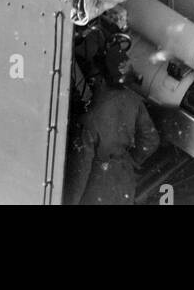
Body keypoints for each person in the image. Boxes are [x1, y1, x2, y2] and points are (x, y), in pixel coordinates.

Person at [69, 45, 161, 205]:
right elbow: (151, 139)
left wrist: (70, 201)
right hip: (124, 179)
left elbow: (81, 171)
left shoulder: (90, 119)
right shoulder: (134, 101)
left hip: (98, 187)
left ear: (101, 77)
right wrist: (131, 160)